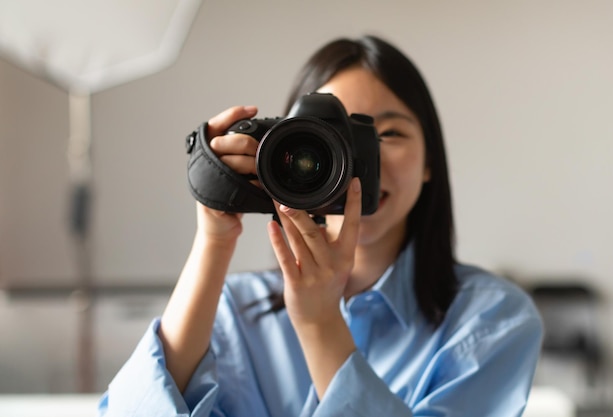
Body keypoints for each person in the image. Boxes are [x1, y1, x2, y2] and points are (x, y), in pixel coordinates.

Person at [98, 35, 543, 417]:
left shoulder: (490, 319)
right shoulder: (232, 310)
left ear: (431, 162)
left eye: (387, 135)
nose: (359, 165)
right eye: (333, 141)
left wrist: (318, 322)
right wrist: (213, 238)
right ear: (278, 154)